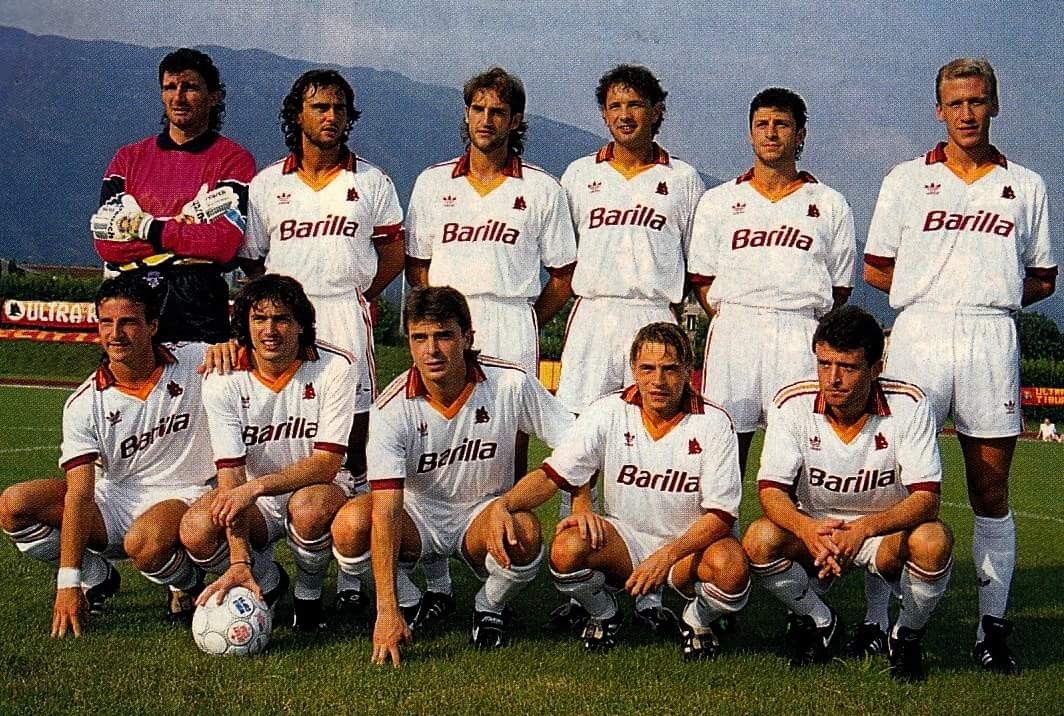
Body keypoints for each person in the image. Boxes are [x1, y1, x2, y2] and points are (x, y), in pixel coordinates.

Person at [863, 57, 1055, 674]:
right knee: (896, 483)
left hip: (991, 335)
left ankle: (991, 628)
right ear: (939, 109)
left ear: (994, 105)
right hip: (919, 332)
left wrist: (988, 292)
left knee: (990, 489)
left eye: (977, 101)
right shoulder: (905, 179)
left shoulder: (1026, 185)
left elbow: (1043, 278)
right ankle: (878, 621)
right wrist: (933, 290)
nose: (967, 113)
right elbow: (876, 269)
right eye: (955, 103)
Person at [404, 66, 578, 603]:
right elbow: (418, 265)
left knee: (508, 443)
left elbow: (562, 276)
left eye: (498, 111)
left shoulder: (542, 188)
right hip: (447, 325)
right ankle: (436, 573)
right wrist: (441, 323)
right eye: (478, 109)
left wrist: (529, 320)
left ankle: (499, 569)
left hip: (509, 318)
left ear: (516, 120)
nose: (486, 120)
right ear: (466, 114)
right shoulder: (433, 183)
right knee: (434, 436)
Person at [330, 286, 573, 665]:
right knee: (350, 524)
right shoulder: (390, 408)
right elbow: (386, 510)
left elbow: (575, 447)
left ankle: (488, 605)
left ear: (467, 338)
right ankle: (409, 600)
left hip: (482, 515)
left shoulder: (511, 383)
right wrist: (386, 609)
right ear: (409, 343)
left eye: (444, 335)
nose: (432, 350)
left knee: (525, 532)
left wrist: (575, 505)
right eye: (420, 338)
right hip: (418, 518)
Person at [238, 70, 405, 616]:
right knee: (288, 422)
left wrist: (361, 295)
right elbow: (254, 261)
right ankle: (285, 556)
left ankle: (352, 572)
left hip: (342, 313)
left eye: (339, 108)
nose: (330, 117)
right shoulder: (267, 184)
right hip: (284, 321)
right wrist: (279, 304)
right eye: (319, 107)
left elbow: (394, 254)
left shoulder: (372, 181)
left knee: (354, 437)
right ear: (298, 115)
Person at [486, 323, 747, 658]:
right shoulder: (608, 410)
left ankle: (695, 619)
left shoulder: (714, 422)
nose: (657, 380)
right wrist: (504, 504)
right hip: (627, 541)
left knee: (731, 568)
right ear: (633, 369)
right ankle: (605, 613)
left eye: (669, 369)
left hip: (687, 549)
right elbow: (552, 475)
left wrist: (666, 557)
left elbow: (721, 516)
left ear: (687, 370)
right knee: (567, 548)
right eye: (647, 368)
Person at [554, 64, 706, 629]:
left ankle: (650, 592)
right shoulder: (578, 175)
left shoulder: (684, 179)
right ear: (603, 113)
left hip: (652, 314)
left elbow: (697, 266)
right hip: (593, 315)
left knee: (652, 451)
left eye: (636, 105)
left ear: (657, 111)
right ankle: (582, 589)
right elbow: (564, 261)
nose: (625, 115)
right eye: (615, 105)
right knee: (579, 445)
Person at [742, 305, 953, 682]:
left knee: (933, 540)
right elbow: (771, 490)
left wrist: (864, 529)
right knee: (759, 539)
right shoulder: (791, 403)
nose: (833, 379)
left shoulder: (910, 403)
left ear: (875, 369)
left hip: (882, 534)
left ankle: (905, 636)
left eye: (848, 367)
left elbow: (927, 498)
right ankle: (821, 621)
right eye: (824, 364)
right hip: (818, 531)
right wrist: (806, 528)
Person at [0, 276, 215, 637]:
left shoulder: (195, 358)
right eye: (106, 322)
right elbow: (80, 494)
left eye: (128, 322)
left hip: (188, 492)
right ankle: (96, 575)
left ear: (152, 326)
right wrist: (69, 582)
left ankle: (190, 585)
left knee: (144, 542)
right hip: (116, 503)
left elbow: (257, 353)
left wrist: (231, 349)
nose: (116, 334)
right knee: (14, 504)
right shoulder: (84, 404)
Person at [688, 87, 855, 475]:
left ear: (800, 135)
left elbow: (839, 288)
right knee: (722, 454)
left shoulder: (830, 203)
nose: (771, 133)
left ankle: (793, 518)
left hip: (799, 331)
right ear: (750, 133)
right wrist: (736, 316)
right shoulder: (718, 201)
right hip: (735, 331)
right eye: (762, 124)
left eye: (782, 124)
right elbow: (702, 278)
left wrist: (797, 315)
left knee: (798, 455)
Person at [179, 274, 358, 631]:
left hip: (316, 486)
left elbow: (326, 464)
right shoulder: (222, 377)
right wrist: (238, 560)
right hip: (253, 496)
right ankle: (267, 579)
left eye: (281, 319)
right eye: (259, 319)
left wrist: (255, 487)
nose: (269, 330)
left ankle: (308, 596)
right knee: (198, 529)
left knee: (309, 508)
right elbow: (231, 475)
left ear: (301, 324)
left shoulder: (336, 365)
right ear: (245, 324)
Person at [90, 48, 255, 343]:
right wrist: (184, 231)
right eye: (170, 87)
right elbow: (108, 245)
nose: (178, 97)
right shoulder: (127, 159)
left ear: (214, 96)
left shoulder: (234, 160)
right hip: (131, 296)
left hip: (198, 300)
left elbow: (222, 243)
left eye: (189, 87)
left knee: (202, 375)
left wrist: (144, 227)